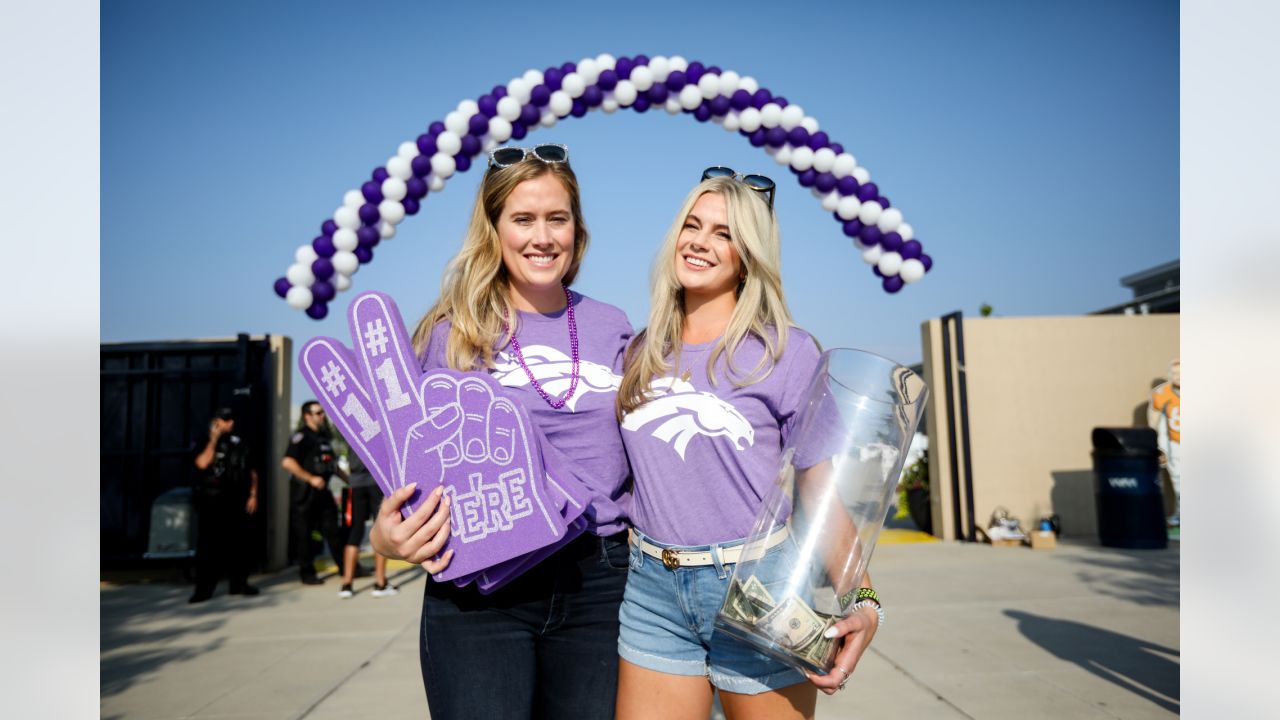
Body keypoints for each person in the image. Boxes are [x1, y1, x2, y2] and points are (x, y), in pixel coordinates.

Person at [370, 143, 634, 719]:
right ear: (493, 229)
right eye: (523, 219)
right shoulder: (447, 334)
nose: (542, 237)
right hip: (479, 585)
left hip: (599, 582)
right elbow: (399, 462)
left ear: (576, 229)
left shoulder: (613, 326)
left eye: (556, 218)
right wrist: (385, 537)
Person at [614, 171, 881, 719]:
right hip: (651, 593)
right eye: (693, 225)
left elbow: (818, 489)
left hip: (761, 590)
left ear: (749, 255)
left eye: (724, 233)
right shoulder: (640, 352)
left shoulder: (786, 352)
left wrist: (864, 597)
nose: (700, 241)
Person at [189, 407, 260, 603]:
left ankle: (239, 584)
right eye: (225, 420)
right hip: (212, 501)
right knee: (209, 547)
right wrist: (213, 438)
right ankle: (203, 590)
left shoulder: (240, 442)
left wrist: (253, 495)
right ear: (216, 421)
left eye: (232, 419)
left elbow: (252, 471)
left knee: (239, 545)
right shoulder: (204, 441)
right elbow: (202, 463)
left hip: (236, 499)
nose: (230, 423)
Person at [281, 401, 349, 585]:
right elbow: (287, 462)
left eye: (322, 413)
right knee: (304, 534)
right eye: (318, 413)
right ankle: (307, 573)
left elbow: (333, 465)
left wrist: (350, 481)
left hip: (323, 492)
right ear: (307, 416)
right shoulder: (301, 437)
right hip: (305, 493)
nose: (322, 416)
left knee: (333, 531)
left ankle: (347, 568)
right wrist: (310, 478)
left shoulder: (323, 437)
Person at [337, 449, 397, 598]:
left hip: (355, 483)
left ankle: (347, 584)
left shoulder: (351, 425)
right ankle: (380, 583)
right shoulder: (378, 424)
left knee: (354, 533)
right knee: (381, 529)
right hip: (375, 480)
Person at [1148, 358, 1181, 526]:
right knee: (1178, 479)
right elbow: (1154, 421)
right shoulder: (1162, 394)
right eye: (1174, 373)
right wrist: (1157, 447)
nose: (1178, 376)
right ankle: (1181, 514)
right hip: (1175, 442)